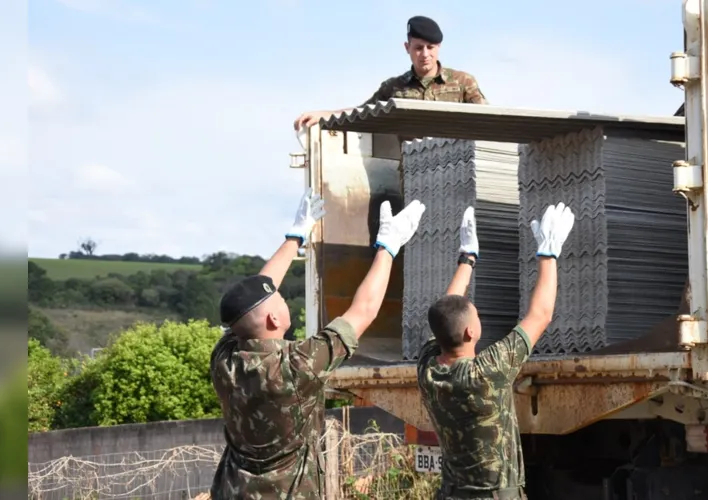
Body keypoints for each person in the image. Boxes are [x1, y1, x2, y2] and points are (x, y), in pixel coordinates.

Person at [208, 188, 427, 499]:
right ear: (273, 320)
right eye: (281, 300)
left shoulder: (225, 359)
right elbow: (362, 311)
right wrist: (387, 248)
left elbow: (250, 302)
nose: (284, 299)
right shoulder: (294, 368)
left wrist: (293, 238)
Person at [416, 203, 576, 500]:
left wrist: (467, 258)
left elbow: (446, 310)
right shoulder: (485, 372)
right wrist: (547, 253)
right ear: (470, 332)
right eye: (477, 316)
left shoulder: (428, 369)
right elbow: (540, 315)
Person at [293, 15, 488, 132]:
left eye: (431, 47)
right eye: (418, 48)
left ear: (439, 47)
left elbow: (489, 121)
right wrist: (325, 115)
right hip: (410, 172)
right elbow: (362, 114)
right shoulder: (394, 88)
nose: (425, 54)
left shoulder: (463, 83)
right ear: (407, 48)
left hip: (456, 167)